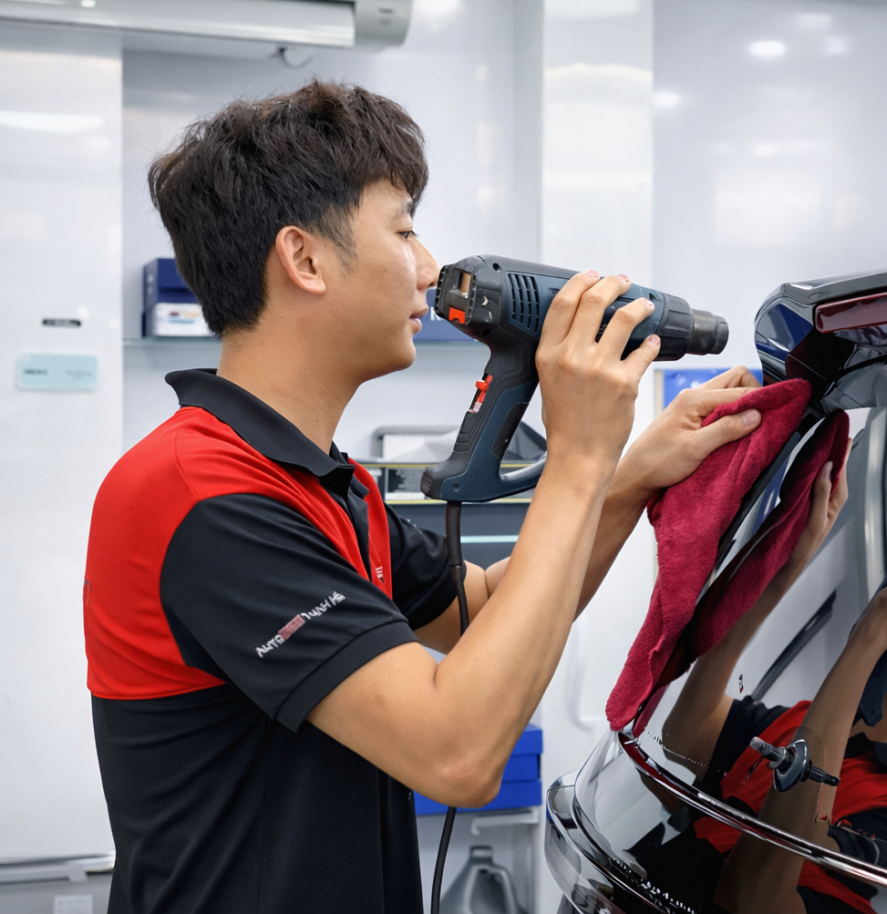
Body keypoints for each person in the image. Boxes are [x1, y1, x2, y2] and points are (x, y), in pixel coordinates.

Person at [82, 80, 763, 914]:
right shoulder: (203, 495)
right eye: (404, 229)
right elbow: (457, 753)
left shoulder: (325, 483)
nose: (431, 268)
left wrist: (628, 477)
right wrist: (580, 455)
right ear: (304, 259)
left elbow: (482, 611)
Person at [644, 464, 887, 914]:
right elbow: (685, 734)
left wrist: (876, 631)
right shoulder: (803, 720)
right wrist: (784, 566)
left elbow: (753, 898)